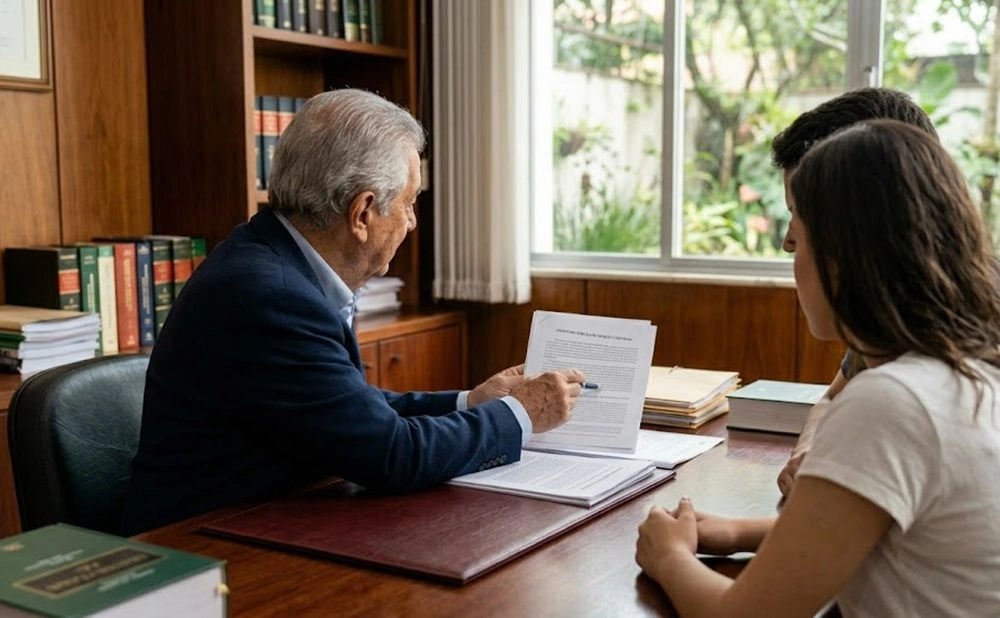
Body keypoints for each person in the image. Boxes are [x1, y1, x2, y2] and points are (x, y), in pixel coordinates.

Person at [121, 89, 586, 535]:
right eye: (407, 203)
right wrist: (520, 414)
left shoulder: (273, 258)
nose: (411, 221)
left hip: (268, 518)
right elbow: (392, 454)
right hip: (199, 548)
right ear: (362, 213)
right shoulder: (273, 295)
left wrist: (470, 402)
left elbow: (350, 409)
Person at [636, 120, 1000, 615]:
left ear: (842, 260)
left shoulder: (891, 401)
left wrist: (669, 555)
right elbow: (899, 525)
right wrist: (738, 531)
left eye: (799, 237)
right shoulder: (971, 371)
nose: (790, 254)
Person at [769, 88, 938, 496]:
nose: (788, 240)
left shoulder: (898, 393)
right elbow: (833, 398)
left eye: (801, 214)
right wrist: (810, 452)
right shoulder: (896, 315)